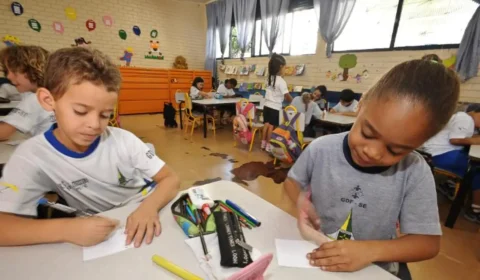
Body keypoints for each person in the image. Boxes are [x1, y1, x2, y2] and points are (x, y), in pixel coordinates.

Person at [284, 59, 460, 278]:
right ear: (362, 103)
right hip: (317, 258)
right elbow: (292, 182)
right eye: (368, 134)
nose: (373, 152)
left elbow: (428, 243)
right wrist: (301, 202)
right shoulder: (321, 149)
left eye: (396, 150)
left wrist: (370, 251)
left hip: (374, 269)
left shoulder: (415, 171)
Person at [0, 47, 180, 248]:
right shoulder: (31, 156)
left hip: (149, 208)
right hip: (106, 228)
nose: (95, 125)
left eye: (105, 115)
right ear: (48, 100)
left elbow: (170, 178)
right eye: (80, 111)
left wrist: (148, 208)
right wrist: (67, 229)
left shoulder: (123, 140)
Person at [422, 104, 480, 224]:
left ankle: (450, 185)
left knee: (472, 164)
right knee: (476, 170)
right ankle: (475, 210)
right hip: (439, 154)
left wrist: (474, 138)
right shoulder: (465, 119)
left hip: (438, 152)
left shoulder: (466, 120)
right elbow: (455, 140)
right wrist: (475, 140)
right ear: (476, 113)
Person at [0, 45, 55, 140]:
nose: (8, 77)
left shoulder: (36, 98)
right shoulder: (52, 93)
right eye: (7, 72)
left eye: (13, 71)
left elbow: (3, 133)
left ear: (33, 70)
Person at [261, 53, 293, 152]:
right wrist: (293, 101)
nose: (285, 69)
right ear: (280, 67)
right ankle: (269, 145)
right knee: (271, 126)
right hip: (275, 107)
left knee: (266, 125)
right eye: (284, 67)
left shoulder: (268, 78)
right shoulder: (281, 81)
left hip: (266, 106)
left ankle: (263, 144)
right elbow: (287, 96)